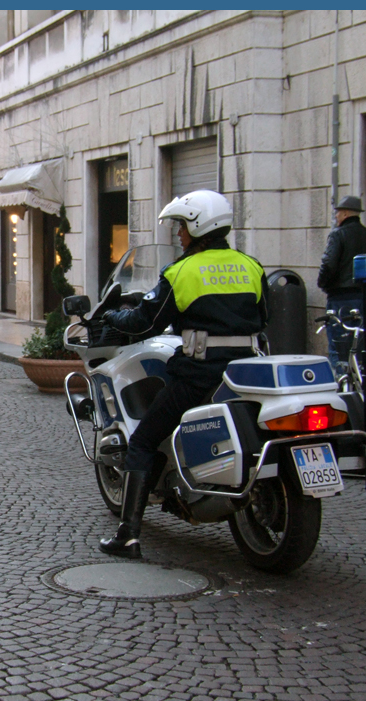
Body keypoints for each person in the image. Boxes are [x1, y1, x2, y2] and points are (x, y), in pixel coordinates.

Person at [97, 189, 268, 559]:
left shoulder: (182, 271)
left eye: (181, 226)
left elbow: (147, 322)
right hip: (246, 371)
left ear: (197, 225)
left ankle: (127, 535)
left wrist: (111, 315)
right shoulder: (251, 265)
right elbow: (263, 317)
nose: (178, 234)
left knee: (143, 441)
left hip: (200, 373)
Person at [317, 195, 366, 374]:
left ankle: (343, 385)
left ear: (346, 213)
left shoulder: (338, 234)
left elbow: (329, 264)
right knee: (361, 343)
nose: (336, 217)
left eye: (338, 213)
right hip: (364, 297)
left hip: (340, 297)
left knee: (340, 346)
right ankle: (361, 381)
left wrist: (324, 284)